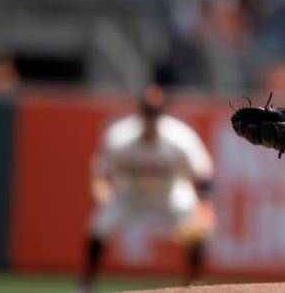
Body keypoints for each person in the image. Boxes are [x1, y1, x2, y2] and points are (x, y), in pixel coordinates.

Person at [74, 84, 214, 293]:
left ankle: (194, 285)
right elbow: (100, 169)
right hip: (131, 193)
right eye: (148, 112)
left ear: (163, 113)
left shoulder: (180, 137)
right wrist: (101, 189)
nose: (151, 118)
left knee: (199, 230)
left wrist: (204, 206)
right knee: (98, 228)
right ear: (140, 111)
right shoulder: (121, 135)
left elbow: (204, 172)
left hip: (170, 193)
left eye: (155, 113)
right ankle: (85, 285)